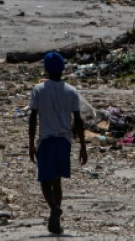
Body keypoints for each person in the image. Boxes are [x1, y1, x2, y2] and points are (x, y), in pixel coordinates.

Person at [28, 51, 88, 235]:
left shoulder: (39, 90)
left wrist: (31, 143)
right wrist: (83, 146)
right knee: (57, 182)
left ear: (46, 69)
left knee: (45, 181)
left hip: (46, 140)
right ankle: (56, 221)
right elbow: (78, 120)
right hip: (64, 141)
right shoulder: (71, 91)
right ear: (63, 69)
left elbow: (33, 117)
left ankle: (54, 208)